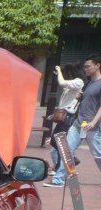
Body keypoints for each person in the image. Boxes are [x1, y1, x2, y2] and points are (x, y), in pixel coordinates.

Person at [46, 54, 101, 188]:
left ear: (97, 65)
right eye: (85, 67)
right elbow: (84, 99)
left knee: (98, 154)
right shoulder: (88, 83)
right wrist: (80, 96)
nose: (85, 69)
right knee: (67, 150)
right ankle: (59, 179)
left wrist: (93, 122)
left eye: (88, 66)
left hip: (91, 126)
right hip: (78, 124)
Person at [46, 63, 83, 174]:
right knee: (57, 143)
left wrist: (59, 71)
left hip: (69, 118)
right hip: (65, 116)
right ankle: (61, 170)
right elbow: (65, 101)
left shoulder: (78, 82)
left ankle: (63, 171)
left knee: (60, 144)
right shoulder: (72, 84)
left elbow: (62, 83)